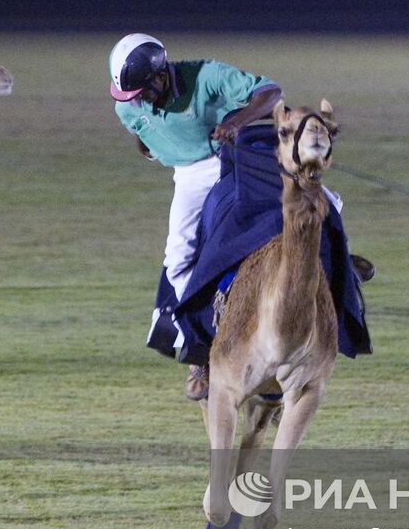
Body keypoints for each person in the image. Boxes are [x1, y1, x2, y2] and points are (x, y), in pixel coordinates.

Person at [110, 33, 372, 401]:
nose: (138, 101)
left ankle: (339, 263)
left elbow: (271, 93)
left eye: (143, 92)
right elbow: (142, 133)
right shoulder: (127, 106)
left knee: (324, 199)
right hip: (190, 175)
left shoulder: (206, 76)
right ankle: (201, 349)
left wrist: (237, 121)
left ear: (161, 75)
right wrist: (154, 145)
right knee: (178, 258)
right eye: (131, 97)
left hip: (235, 157)